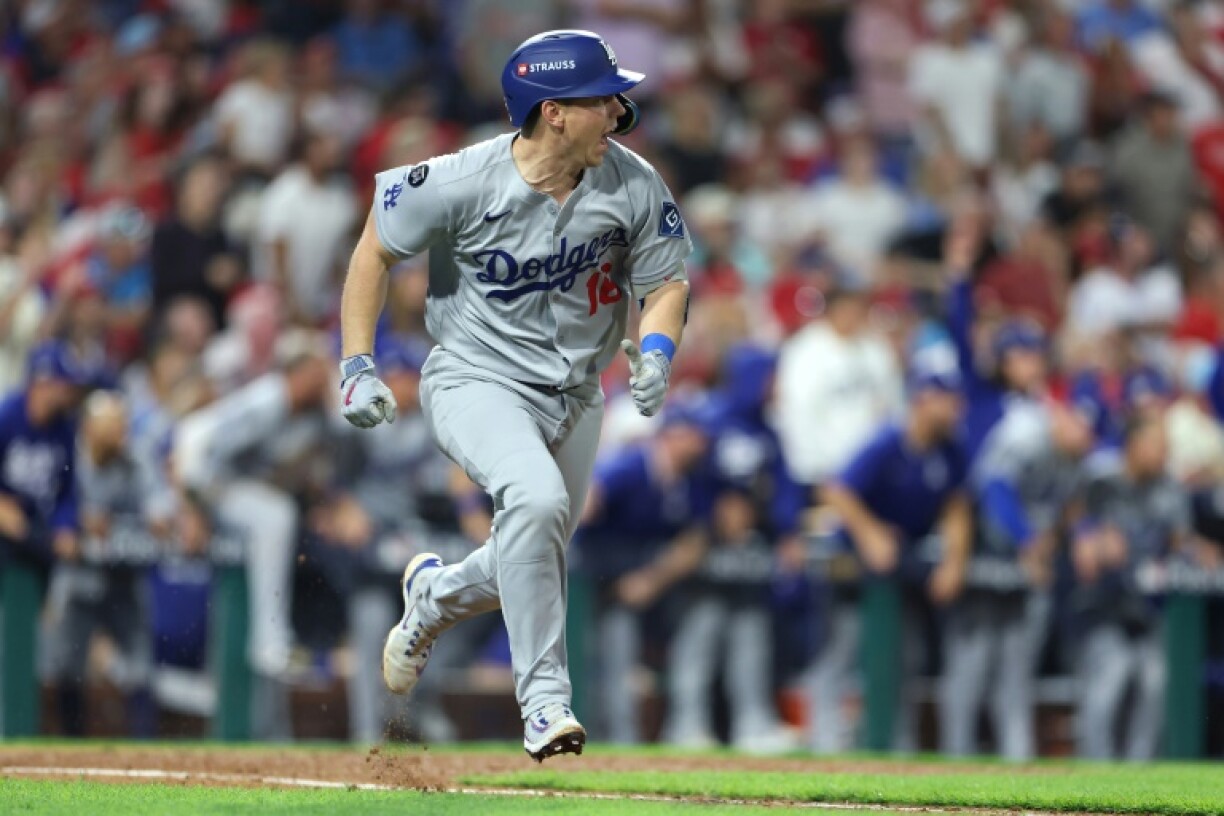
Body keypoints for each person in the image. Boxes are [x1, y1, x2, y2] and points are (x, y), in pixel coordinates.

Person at [337, 30, 693, 761]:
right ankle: (543, 703)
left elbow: (667, 282)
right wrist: (355, 363)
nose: (620, 109)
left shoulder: (631, 180)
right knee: (534, 506)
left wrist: (657, 348)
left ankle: (433, 599)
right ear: (554, 111)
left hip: (576, 391)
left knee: (531, 545)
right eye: (602, 98)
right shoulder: (462, 178)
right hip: (475, 376)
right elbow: (374, 246)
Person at [809, 348, 972, 752]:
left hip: (904, 566)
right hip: (855, 565)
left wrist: (954, 562)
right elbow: (837, 489)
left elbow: (957, 507)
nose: (955, 407)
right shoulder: (889, 440)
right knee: (844, 652)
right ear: (923, 398)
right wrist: (871, 533)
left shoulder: (949, 450)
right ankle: (823, 743)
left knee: (907, 657)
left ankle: (894, 745)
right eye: (946, 397)